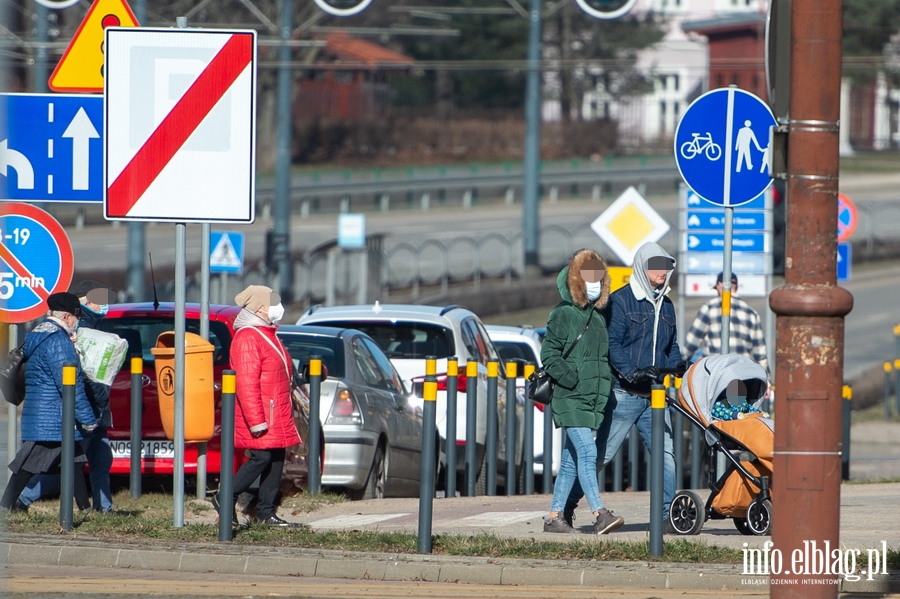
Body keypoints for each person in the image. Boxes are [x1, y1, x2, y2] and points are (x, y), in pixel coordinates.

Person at [564, 242, 683, 532]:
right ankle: (566, 506)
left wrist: (677, 364)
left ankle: (669, 516)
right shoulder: (620, 301)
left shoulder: (666, 305)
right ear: (642, 267)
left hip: (655, 397)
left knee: (666, 454)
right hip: (624, 394)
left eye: (666, 266)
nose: (662, 272)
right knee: (602, 455)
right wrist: (633, 372)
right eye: (656, 265)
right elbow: (612, 345)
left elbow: (671, 345)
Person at [542, 249, 623, 535]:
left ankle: (554, 517)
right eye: (588, 276)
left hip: (591, 402)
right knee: (588, 453)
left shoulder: (598, 319)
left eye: (599, 276)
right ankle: (599, 513)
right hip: (570, 398)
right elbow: (549, 355)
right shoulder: (564, 314)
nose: (595, 282)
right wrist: (572, 379)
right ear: (576, 279)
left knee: (570, 461)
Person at [17, 281, 117, 513]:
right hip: (82, 408)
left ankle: (102, 508)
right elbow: (75, 377)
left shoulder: (98, 324)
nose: (104, 305)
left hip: (95, 407)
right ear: (83, 301)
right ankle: (20, 501)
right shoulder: (74, 329)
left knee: (99, 459)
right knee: (64, 465)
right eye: (98, 300)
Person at [211, 285, 299, 527]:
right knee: (261, 457)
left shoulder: (267, 334)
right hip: (262, 412)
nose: (278, 306)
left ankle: (265, 512)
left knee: (276, 457)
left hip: (276, 410)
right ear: (261, 307)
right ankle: (225, 496)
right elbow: (246, 382)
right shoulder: (249, 337)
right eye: (273, 301)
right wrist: (256, 420)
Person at [0, 293, 97, 512]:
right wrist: (88, 419)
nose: (77, 322)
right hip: (53, 417)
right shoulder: (58, 341)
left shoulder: (38, 334)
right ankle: (6, 506)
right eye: (75, 318)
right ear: (65, 316)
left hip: (43, 412)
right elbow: (70, 384)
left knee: (75, 461)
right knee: (27, 465)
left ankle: (85, 508)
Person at [682, 272, 769, 377]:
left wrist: (679, 363)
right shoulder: (751, 313)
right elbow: (760, 352)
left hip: (714, 374)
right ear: (736, 287)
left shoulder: (709, 308)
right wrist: (766, 379)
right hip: (742, 374)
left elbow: (691, 343)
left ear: (719, 285)